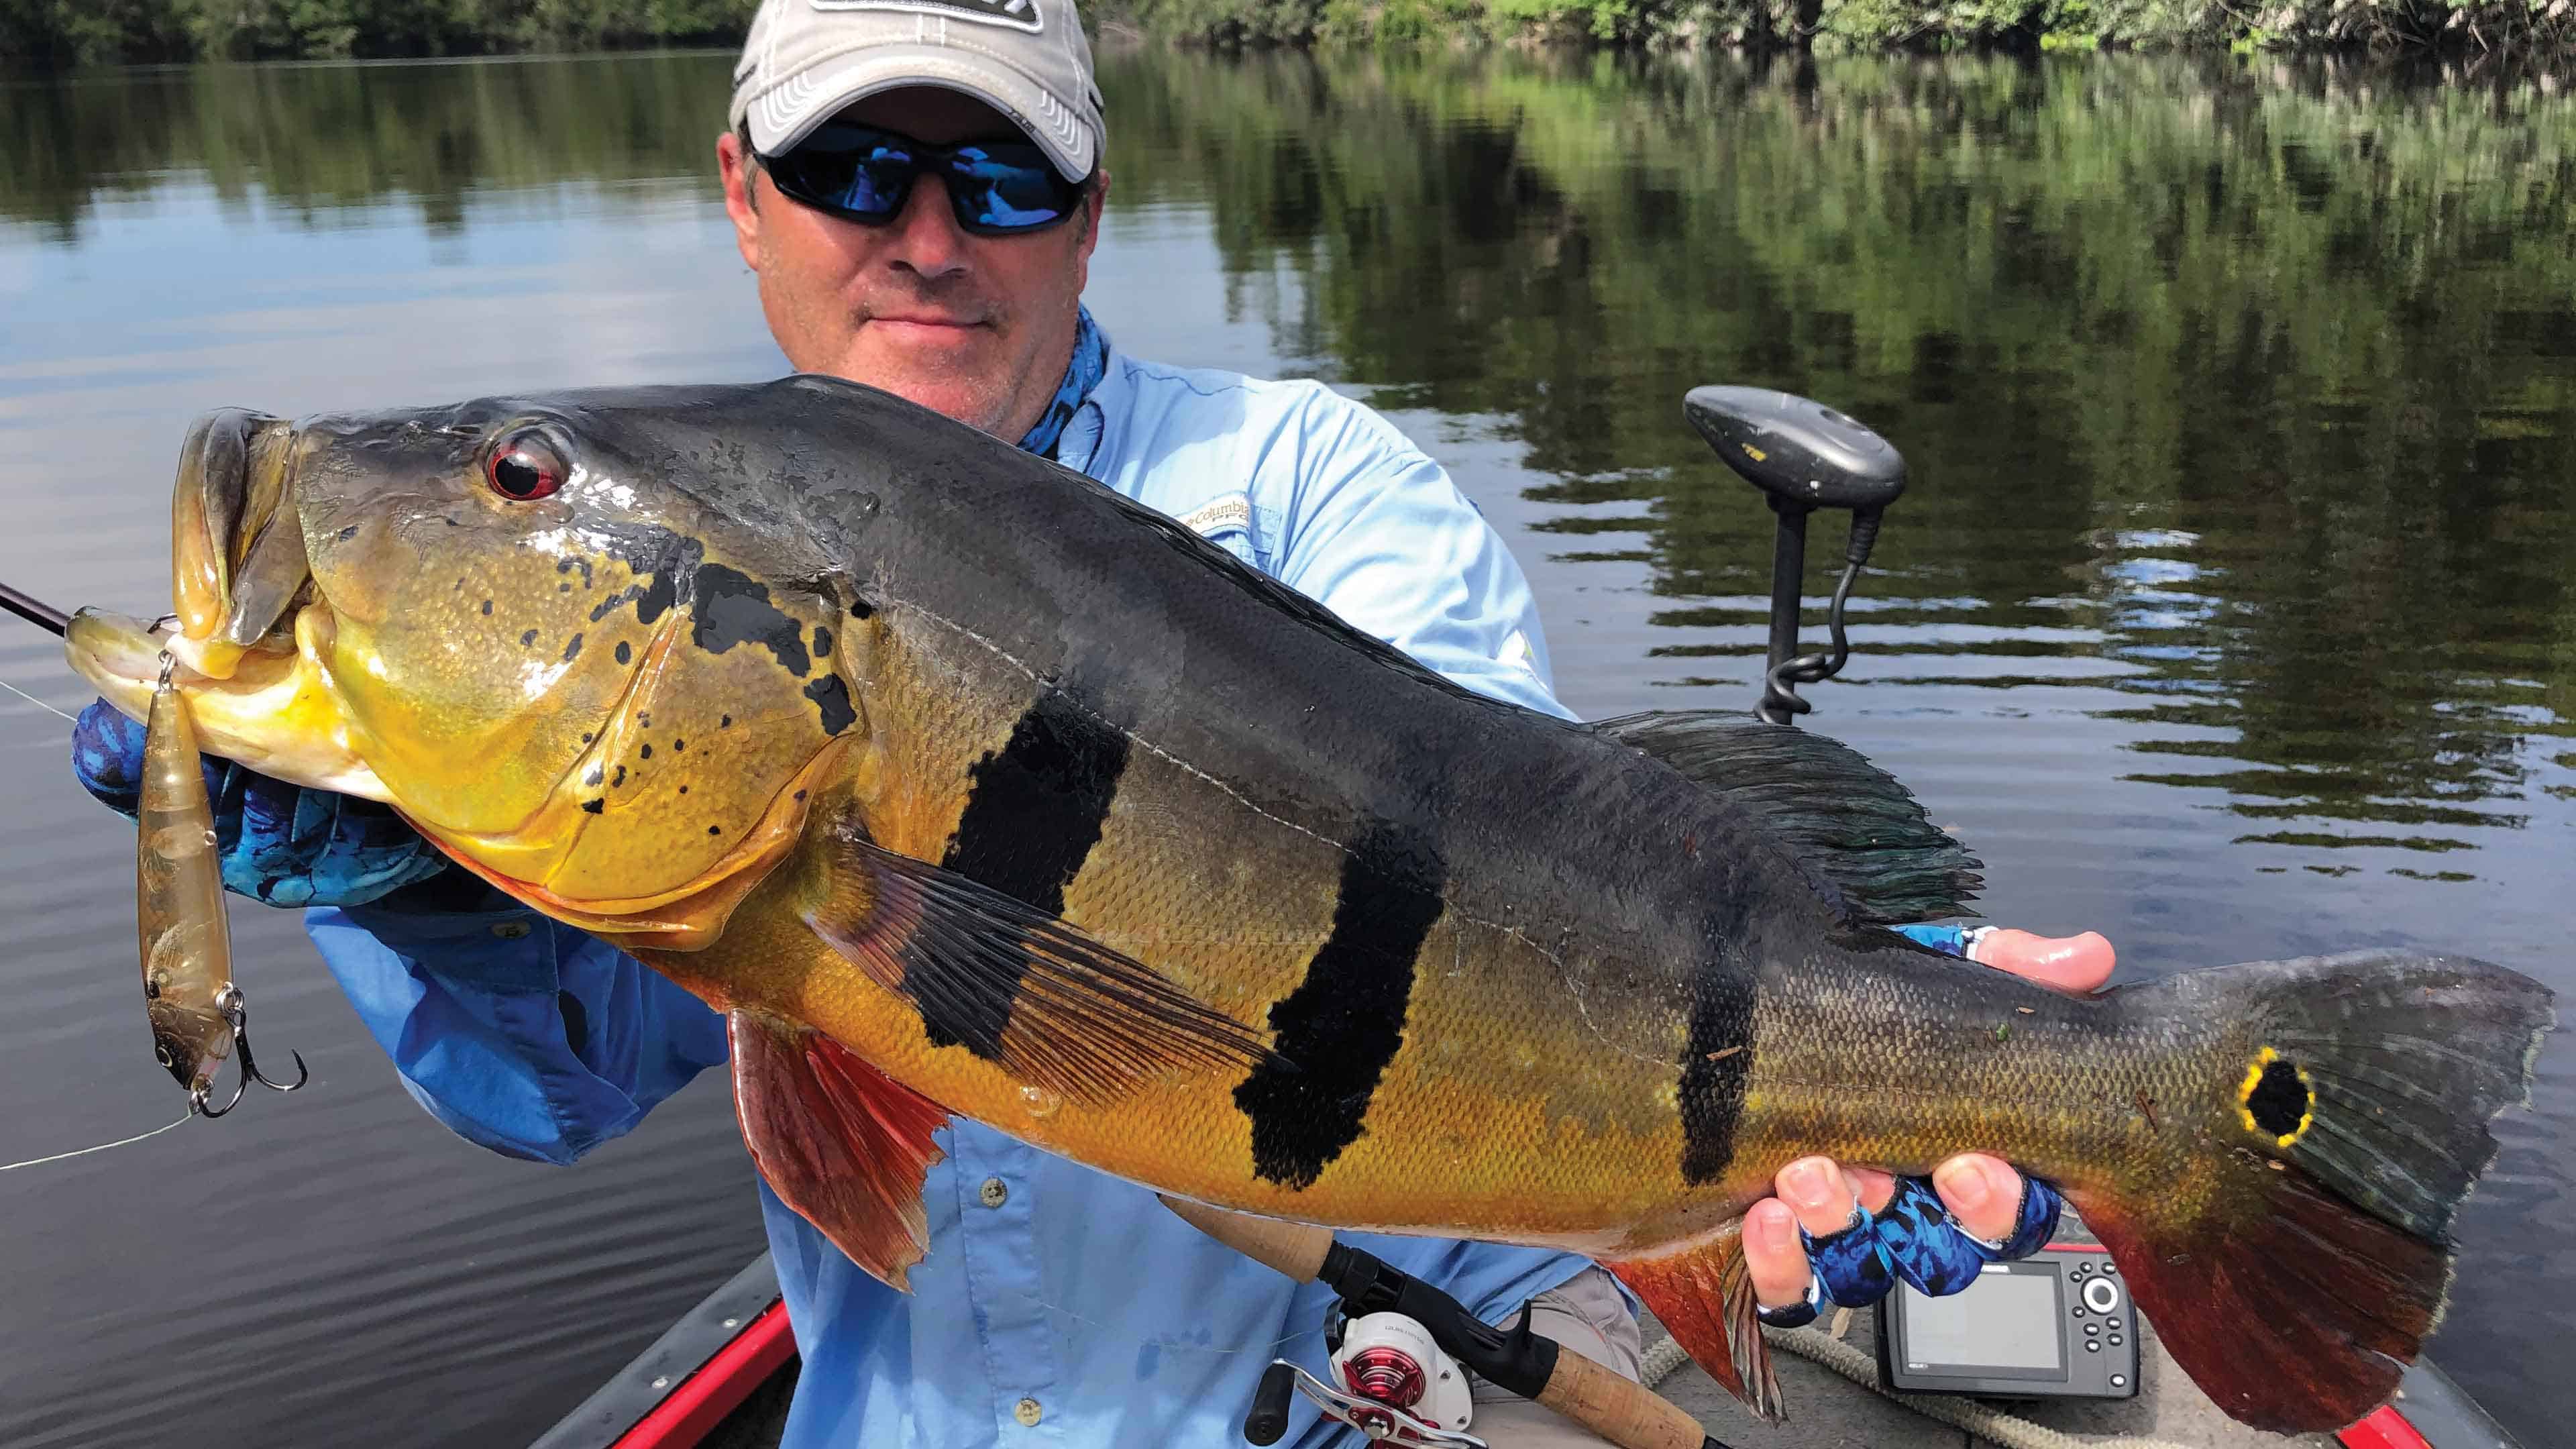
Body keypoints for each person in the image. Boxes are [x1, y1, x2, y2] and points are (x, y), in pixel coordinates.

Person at [70, 1, 2118, 1442]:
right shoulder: (703, 574)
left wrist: (1895, 1021)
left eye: (1006, 174)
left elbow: (1541, 879)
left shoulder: (1311, 489)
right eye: (853, 163)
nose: (931, 233)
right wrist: (401, 869)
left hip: (1357, 1413)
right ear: (743, 192)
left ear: (1096, 204)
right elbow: (555, 1094)